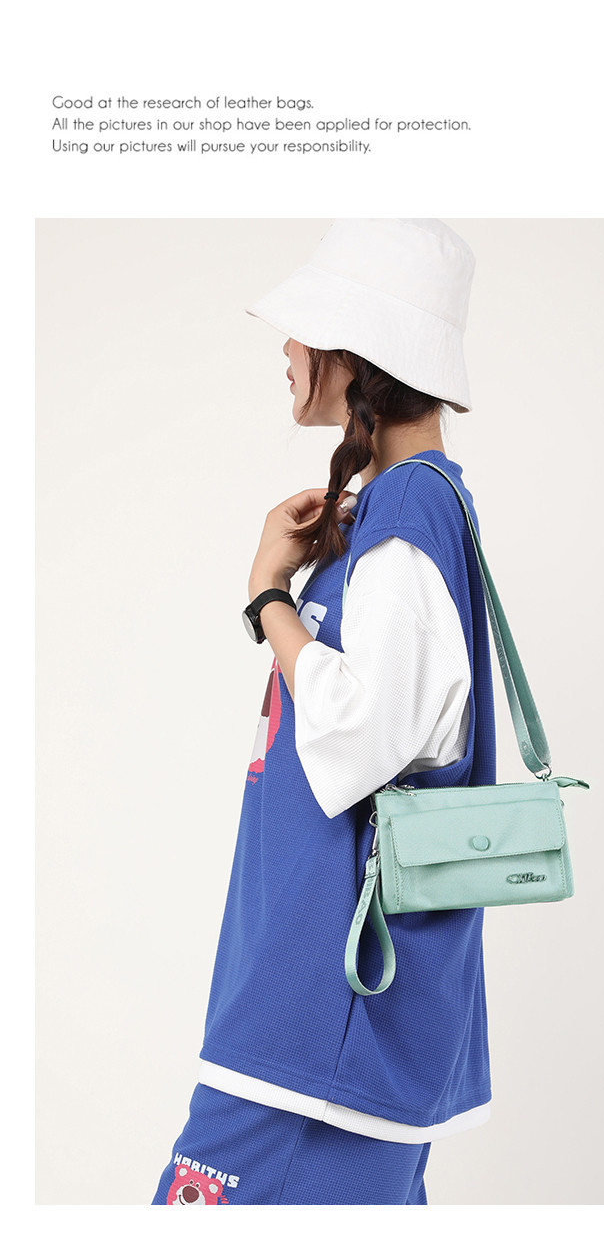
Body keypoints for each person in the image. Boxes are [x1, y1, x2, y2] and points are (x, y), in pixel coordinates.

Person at [151, 219, 497, 1206]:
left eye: (305, 327)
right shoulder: (401, 509)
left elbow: (360, 736)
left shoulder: (409, 512)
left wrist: (269, 599)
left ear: (355, 351)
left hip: (318, 1025)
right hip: (328, 1018)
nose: (289, 349)